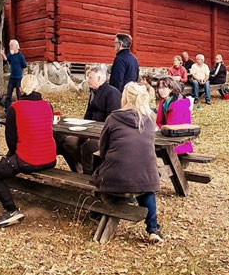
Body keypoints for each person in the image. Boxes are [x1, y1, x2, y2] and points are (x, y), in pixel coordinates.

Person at [92, 82, 162, 243]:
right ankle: (153, 228)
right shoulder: (149, 120)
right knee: (146, 188)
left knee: (97, 173)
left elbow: (103, 149)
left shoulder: (113, 118)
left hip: (115, 176)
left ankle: (96, 212)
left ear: (124, 98)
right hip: (146, 177)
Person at [0, 75, 58, 227]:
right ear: (38, 88)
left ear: (20, 89)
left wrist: (13, 155)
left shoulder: (15, 107)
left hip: (28, 159)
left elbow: (11, 140)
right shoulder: (48, 105)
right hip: (50, 158)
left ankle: (11, 210)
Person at [60, 64, 120, 173]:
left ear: (100, 79)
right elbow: (88, 112)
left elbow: (111, 118)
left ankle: (89, 172)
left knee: (87, 147)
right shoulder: (93, 91)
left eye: (90, 77)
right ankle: (88, 166)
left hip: (104, 133)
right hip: (88, 129)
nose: (87, 80)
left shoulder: (112, 93)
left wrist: (94, 132)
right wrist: (82, 127)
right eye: (87, 77)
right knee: (68, 142)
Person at [155, 76, 194, 154]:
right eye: (160, 88)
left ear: (171, 89)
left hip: (179, 142)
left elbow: (173, 127)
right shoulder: (163, 102)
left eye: (164, 87)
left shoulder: (178, 104)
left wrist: (161, 129)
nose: (161, 90)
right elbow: (159, 121)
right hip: (168, 136)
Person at [1, 40, 28, 104]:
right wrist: (2, 54)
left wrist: (22, 76)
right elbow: (5, 59)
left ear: (16, 46)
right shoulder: (10, 55)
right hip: (12, 78)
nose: (10, 47)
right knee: (8, 93)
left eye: (12, 45)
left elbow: (24, 66)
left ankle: (21, 106)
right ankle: (7, 108)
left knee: (19, 94)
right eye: (10, 45)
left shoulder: (20, 56)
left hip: (19, 78)